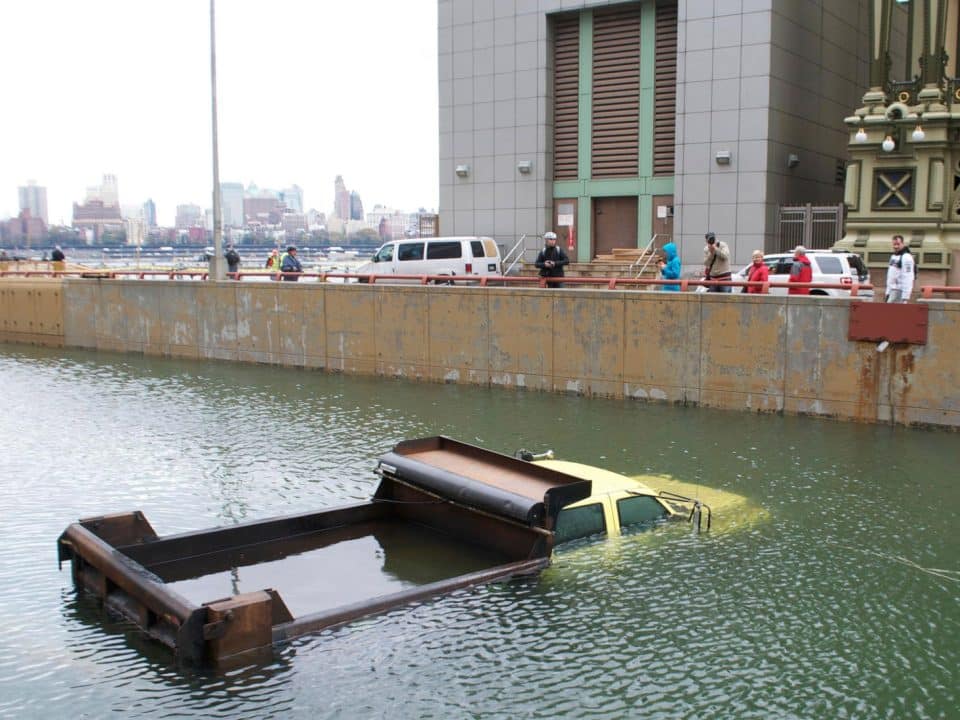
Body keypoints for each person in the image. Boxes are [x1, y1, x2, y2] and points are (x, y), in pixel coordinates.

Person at [886, 234, 915, 303]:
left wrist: (905, 296)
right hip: (892, 290)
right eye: (894, 244)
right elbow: (890, 276)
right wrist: (888, 292)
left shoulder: (906, 257)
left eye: (898, 244)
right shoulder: (893, 256)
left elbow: (908, 277)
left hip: (900, 291)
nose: (896, 246)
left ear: (903, 244)